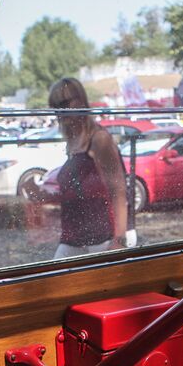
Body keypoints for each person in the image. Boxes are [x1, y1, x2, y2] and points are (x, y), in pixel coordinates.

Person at [40, 77, 128, 258]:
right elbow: (79, 192)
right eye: (55, 106)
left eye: (65, 103)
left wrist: (119, 240)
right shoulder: (73, 141)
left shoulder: (98, 138)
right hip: (74, 237)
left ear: (81, 101)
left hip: (102, 238)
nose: (60, 111)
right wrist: (44, 197)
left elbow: (118, 190)